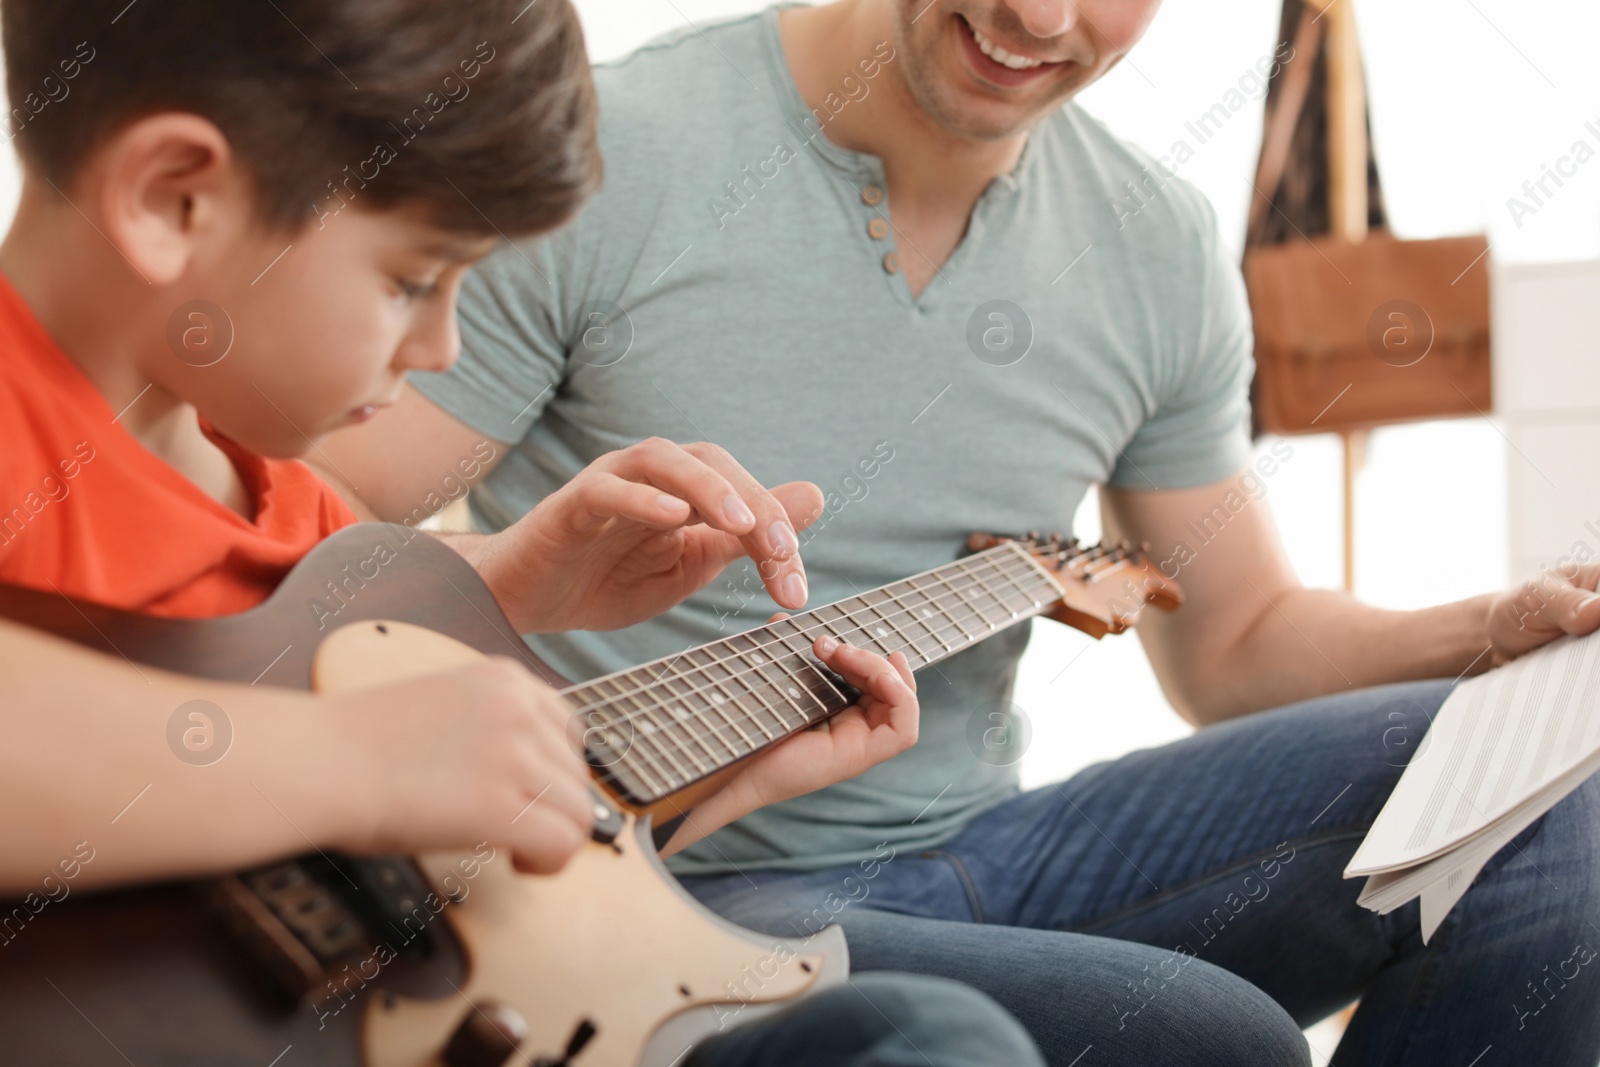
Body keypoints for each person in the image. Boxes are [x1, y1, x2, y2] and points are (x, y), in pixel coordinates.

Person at [318, 1, 1600, 1064]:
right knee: (1222, 1045)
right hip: (661, 870)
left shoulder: (1154, 245)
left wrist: (1489, 629)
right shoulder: (609, 155)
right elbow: (298, 541)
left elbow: (1242, 642)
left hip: (989, 841)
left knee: (1546, 787)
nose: (1040, 20)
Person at [0, 1, 1046, 1064]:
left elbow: (428, 899)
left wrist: (503, 592)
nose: (445, 343)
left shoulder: (277, 492)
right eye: (413, 279)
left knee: (937, 1034)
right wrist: (352, 755)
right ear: (175, 197)